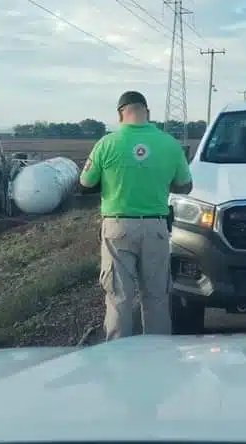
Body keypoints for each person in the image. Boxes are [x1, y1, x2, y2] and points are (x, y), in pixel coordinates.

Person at [78, 90, 193, 341]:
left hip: (117, 228)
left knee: (119, 297)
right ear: (147, 112)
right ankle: (159, 352)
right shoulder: (169, 144)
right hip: (156, 228)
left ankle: (118, 356)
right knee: (157, 296)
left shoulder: (106, 144)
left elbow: (85, 183)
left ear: (121, 114)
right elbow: (185, 186)